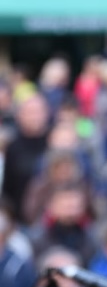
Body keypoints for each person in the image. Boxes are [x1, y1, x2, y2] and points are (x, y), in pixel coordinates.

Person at [1, 91, 51, 225]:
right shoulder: (13, 147)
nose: (35, 117)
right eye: (30, 112)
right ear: (19, 116)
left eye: (38, 112)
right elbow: (8, 187)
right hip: (20, 219)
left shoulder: (54, 141)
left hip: (51, 219)